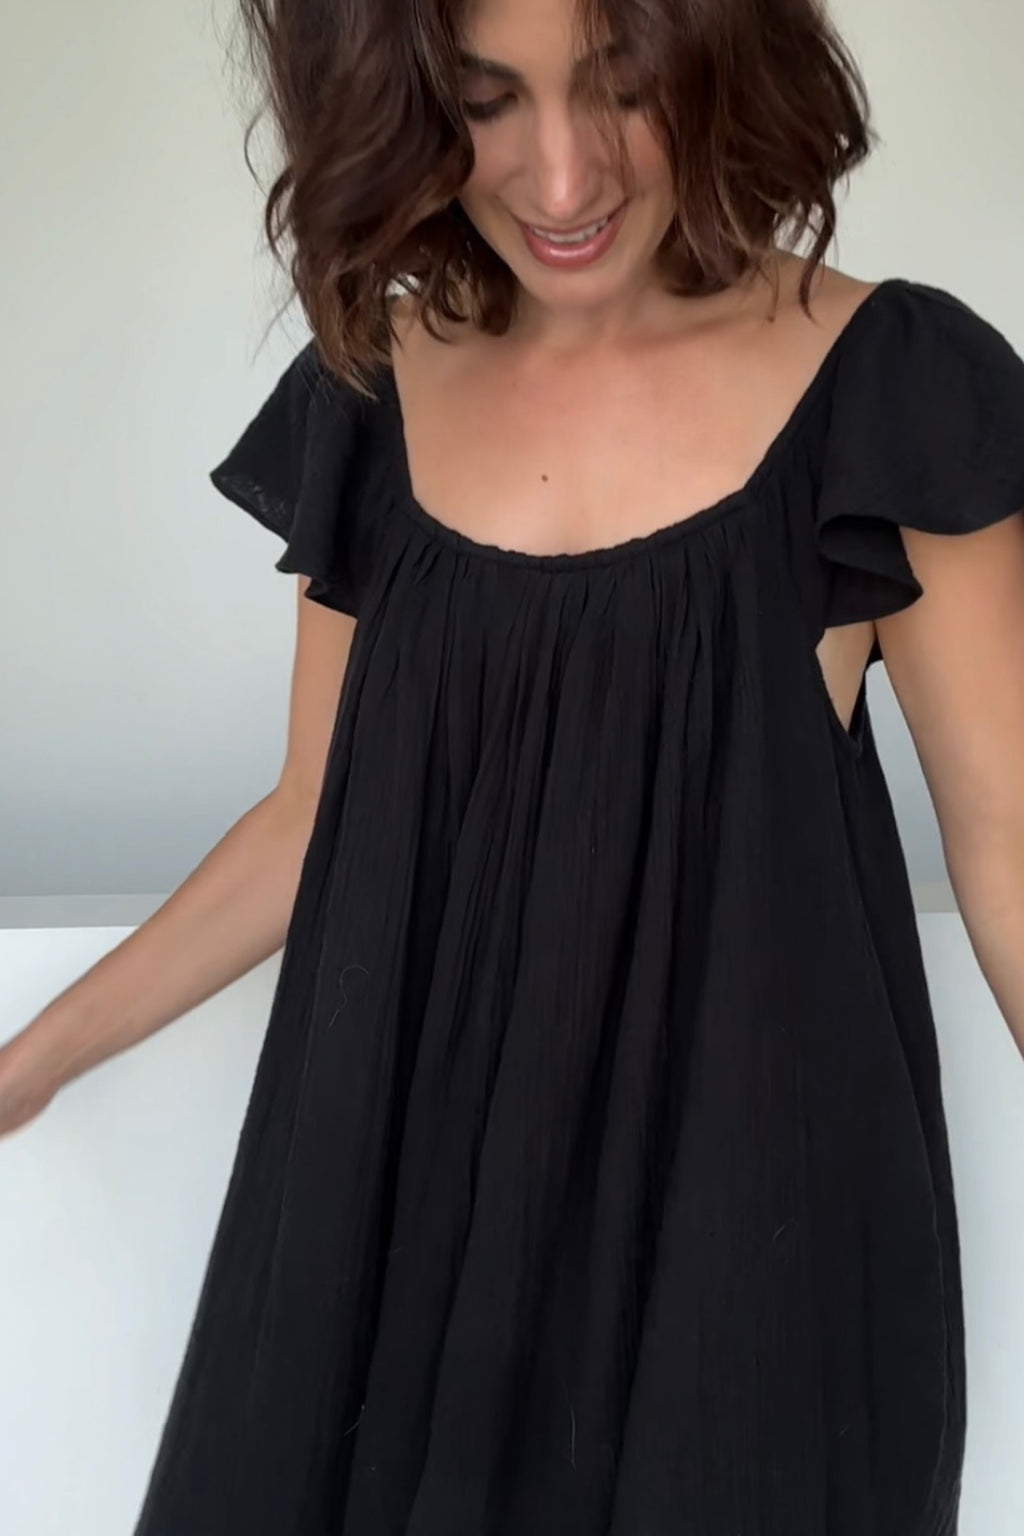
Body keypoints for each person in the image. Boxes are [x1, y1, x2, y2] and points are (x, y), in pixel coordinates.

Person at [4, 0, 1024, 1529]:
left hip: (746, 1256)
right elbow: (310, 819)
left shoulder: (893, 382)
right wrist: (30, 1064)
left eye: (621, 90)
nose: (561, 178)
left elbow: (1010, 851)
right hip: (396, 1227)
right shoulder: (374, 386)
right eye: (489, 102)